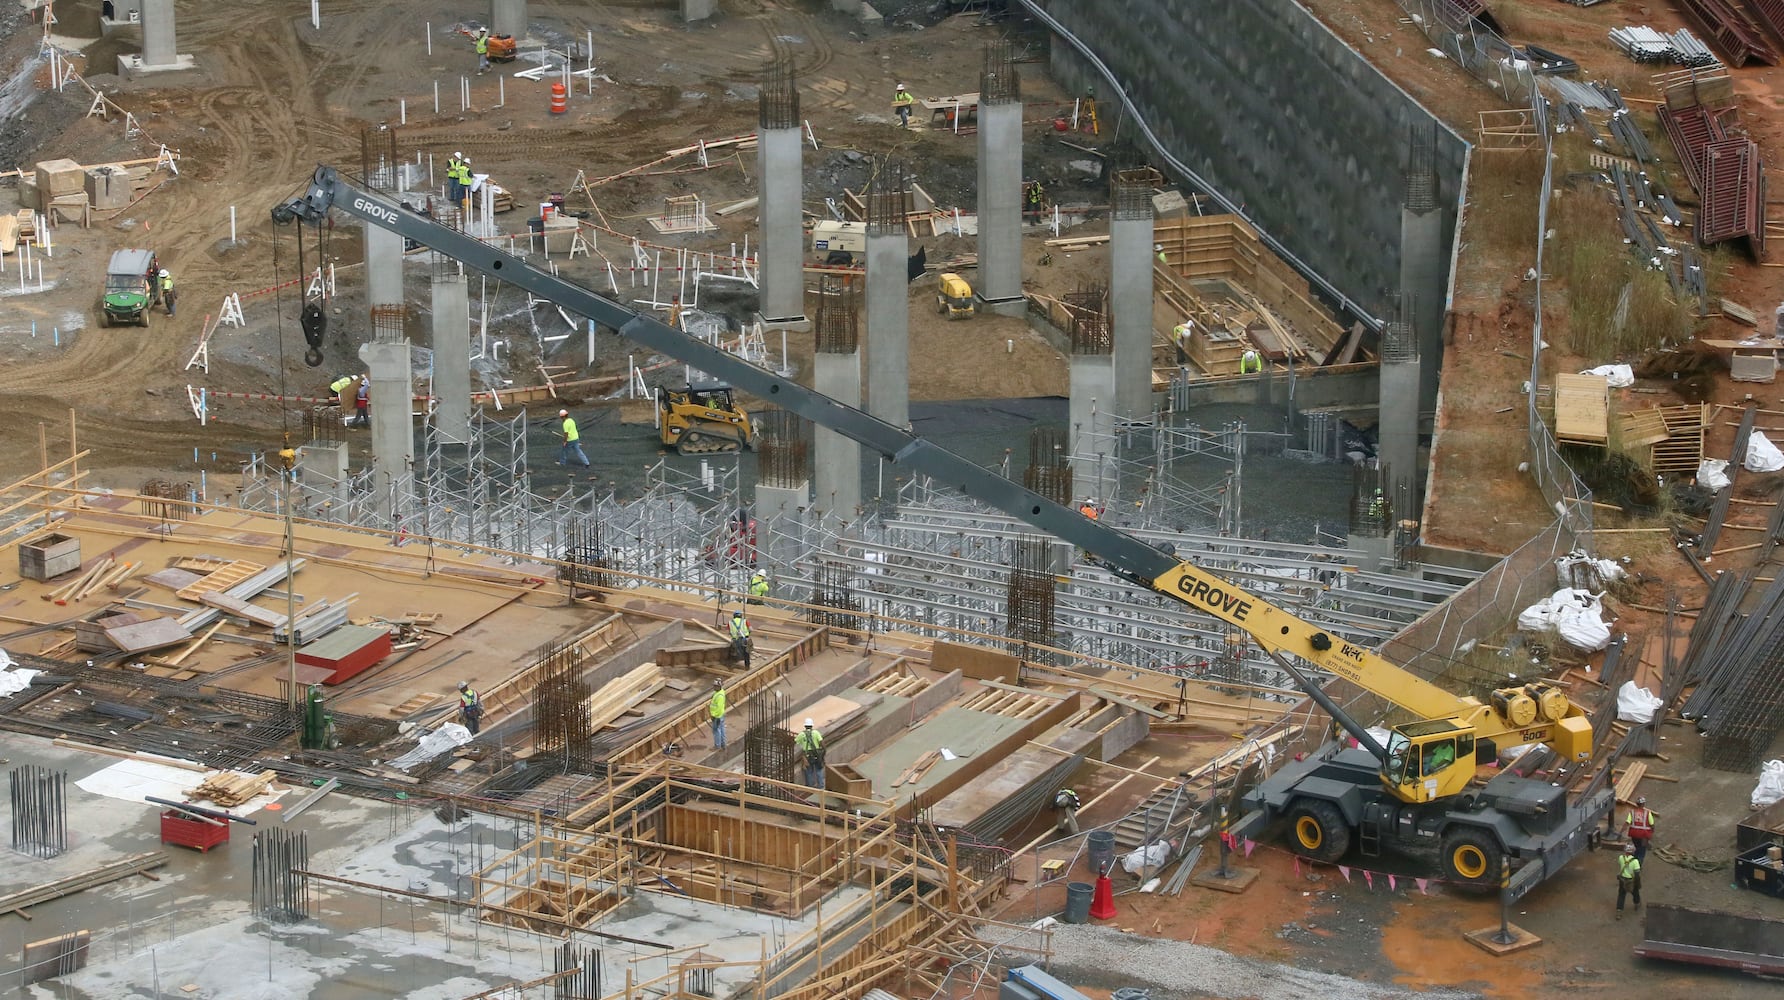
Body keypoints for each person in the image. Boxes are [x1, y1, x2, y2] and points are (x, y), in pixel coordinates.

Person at [1624, 796, 1657, 863]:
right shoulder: (1647, 813)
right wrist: (1651, 833)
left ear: (1636, 803)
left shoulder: (1632, 812)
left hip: (1634, 834)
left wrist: (1620, 833)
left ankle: (1634, 862)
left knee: (1636, 848)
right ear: (1643, 804)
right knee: (1641, 851)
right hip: (1643, 835)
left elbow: (1627, 822)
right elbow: (1652, 825)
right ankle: (1637, 866)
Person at [795, 719, 825, 789]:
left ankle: (810, 787)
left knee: (809, 771)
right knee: (818, 770)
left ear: (805, 726)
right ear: (812, 725)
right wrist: (823, 754)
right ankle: (820, 786)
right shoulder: (816, 733)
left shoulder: (801, 734)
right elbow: (822, 743)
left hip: (807, 755)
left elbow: (795, 742)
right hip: (816, 754)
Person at [1615, 842, 1642, 919]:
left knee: (1621, 895)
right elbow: (1637, 873)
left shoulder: (1621, 858)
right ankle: (1637, 903)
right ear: (1633, 851)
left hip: (1622, 879)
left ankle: (1619, 911)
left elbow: (1620, 864)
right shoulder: (1635, 861)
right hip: (1631, 880)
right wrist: (1638, 883)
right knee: (1635, 892)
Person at [708, 679, 728, 750]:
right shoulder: (719, 693)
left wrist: (713, 715)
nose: (714, 687)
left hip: (717, 716)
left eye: (715, 686)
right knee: (721, 730)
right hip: (720, 715)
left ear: (719, 687)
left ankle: (717, 746)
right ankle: (723, 745)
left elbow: (719, 708)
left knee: (716, 731)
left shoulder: (719, 696)